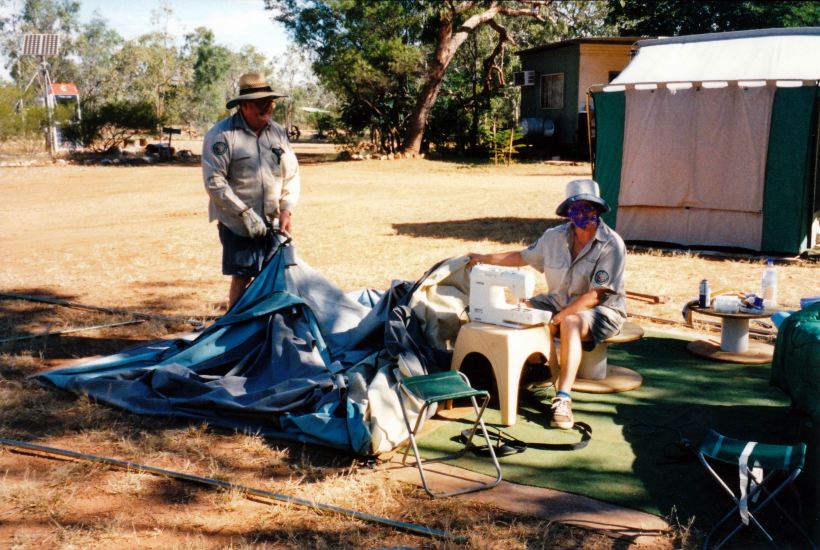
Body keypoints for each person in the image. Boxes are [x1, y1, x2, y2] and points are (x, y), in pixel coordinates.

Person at [468, 179, 626, 429]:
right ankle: (534, 368)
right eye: (576, 208)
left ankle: (563, 397)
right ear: (568, 213)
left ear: (597, 210)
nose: (583, 213)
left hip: (602, 311)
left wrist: (560, 316)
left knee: (571, 322)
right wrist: (484, 258)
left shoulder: (612, 244)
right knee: (518, 312)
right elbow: (522, 256)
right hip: (557, 302)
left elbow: (596, 296)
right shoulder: (553, 237)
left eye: (589, 207)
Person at [202, 72, 300, 307]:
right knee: (242, 277)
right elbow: (214, 180)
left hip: (272, 222)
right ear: (244, 105)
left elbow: (291, 172)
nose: (269, 108)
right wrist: (243, 212)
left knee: (275, 278)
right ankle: (235, 328)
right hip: (237, 224)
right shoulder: (222, 135)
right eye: (261, 103)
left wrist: (286, 209)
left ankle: (268, 328)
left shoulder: (277, 132)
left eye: (271, 102)